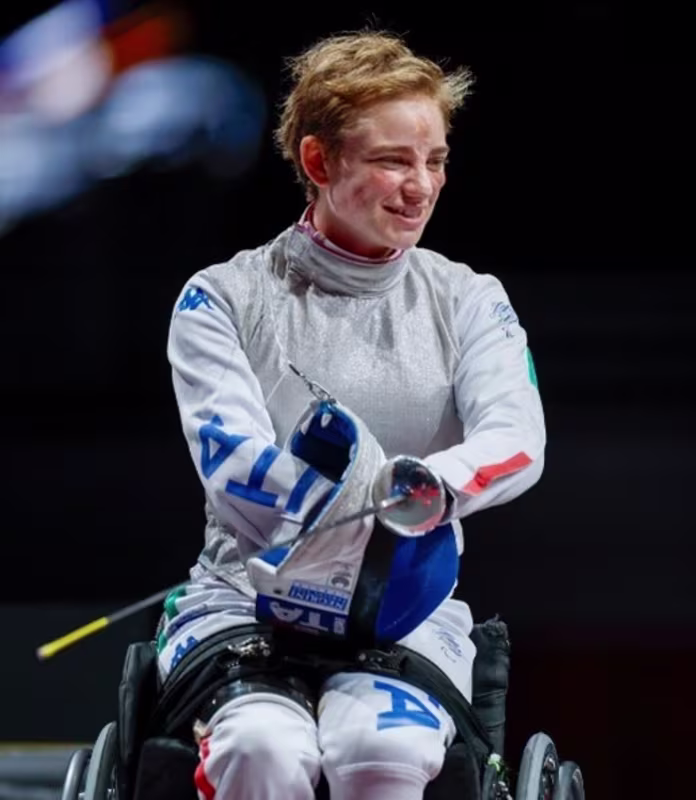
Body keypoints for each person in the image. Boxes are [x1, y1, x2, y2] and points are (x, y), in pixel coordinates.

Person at [161, 30, 546, 800]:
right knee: (262, 749)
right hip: (245, 596)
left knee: (381, 746)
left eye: (433, 160)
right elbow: (233, 460)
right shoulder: (221, 298)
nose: (420, 185)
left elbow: (516, 442)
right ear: (318, 162)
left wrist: (423, 486)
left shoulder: (470, 299)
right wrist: (348, 508)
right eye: (391, 161)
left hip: (406, 604)